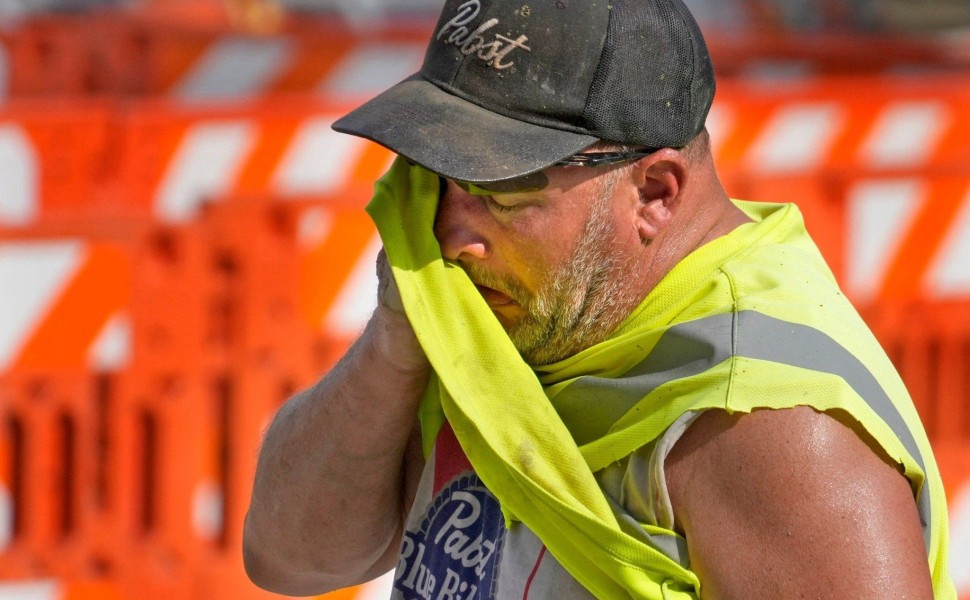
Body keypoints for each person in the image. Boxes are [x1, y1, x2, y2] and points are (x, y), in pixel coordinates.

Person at [242, 0, 957, 598]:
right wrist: (397, 339)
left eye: (500, 195)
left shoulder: (763, 422)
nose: (453, 239)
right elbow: (292, 558)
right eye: (434, 181)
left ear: (654, 194)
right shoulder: (517, 313)